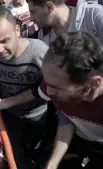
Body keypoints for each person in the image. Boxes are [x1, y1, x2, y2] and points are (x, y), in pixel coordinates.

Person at [0, 5, 49, 168]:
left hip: (38, 117)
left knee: (38, 152)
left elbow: (49, 89)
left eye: (5, 41)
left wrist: (6, 103)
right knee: (17, 158)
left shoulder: (39, 53)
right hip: (12, 119)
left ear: (17, 30)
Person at [37, 32, 103, 169]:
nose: (48, 92)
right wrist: (52, 164)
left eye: (56, 88)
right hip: (77, 140)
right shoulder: (54, 84)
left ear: (93, 83)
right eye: (47, 82)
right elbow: (67, 117)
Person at [27, 0, 103, 44]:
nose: (31, 19)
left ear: (49, 7)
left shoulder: (94, 15)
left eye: (33, 12)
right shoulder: (43, 37)